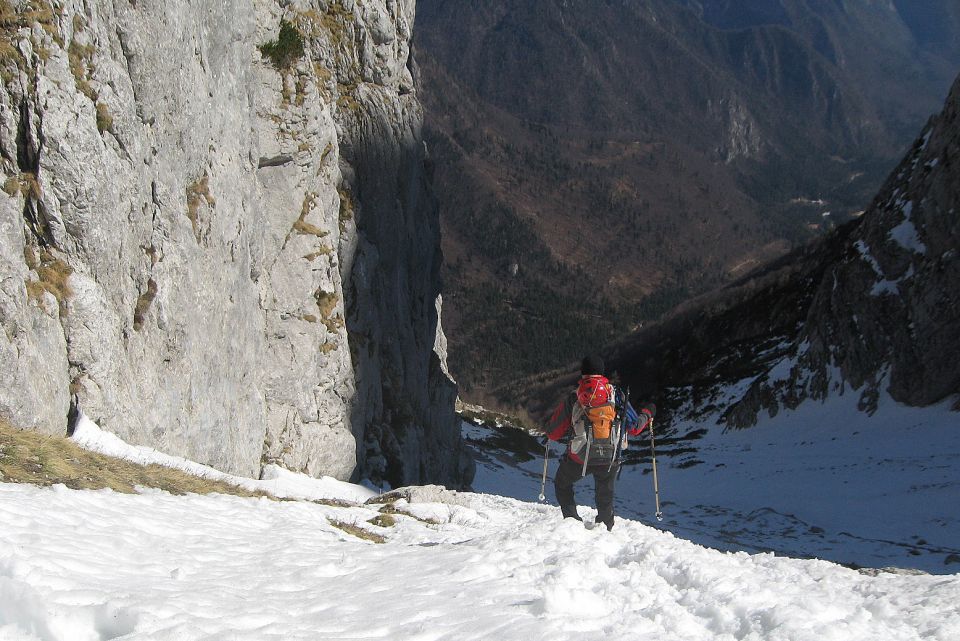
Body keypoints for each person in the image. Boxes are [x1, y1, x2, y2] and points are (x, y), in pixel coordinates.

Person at [544, 354, 655, 530]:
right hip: (610, 458)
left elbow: (553, 433)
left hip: (578, 458)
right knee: (605, 493)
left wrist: (548, 426)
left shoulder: (575, 397)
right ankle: (605, 527)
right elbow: (633, 427)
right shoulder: (616, 395)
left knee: (562, 483)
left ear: (583, 374)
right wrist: (648, 413)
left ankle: (572, 522)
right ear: (602, 373)